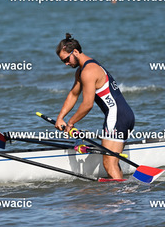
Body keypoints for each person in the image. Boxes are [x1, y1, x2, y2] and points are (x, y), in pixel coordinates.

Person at [54, 33, 135, 179]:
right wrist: (60, 118)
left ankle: (120, 192)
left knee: (109, 163)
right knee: (112, 162)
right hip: (124, 115)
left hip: (117, 117)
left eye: (66, 59)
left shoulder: (88, 71)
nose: (66, 64)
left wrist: (70, 123)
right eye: (62, 61)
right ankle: (122, 190)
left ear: (76, 52)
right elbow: (73, 94)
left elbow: (87, 105)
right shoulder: (82, 70)